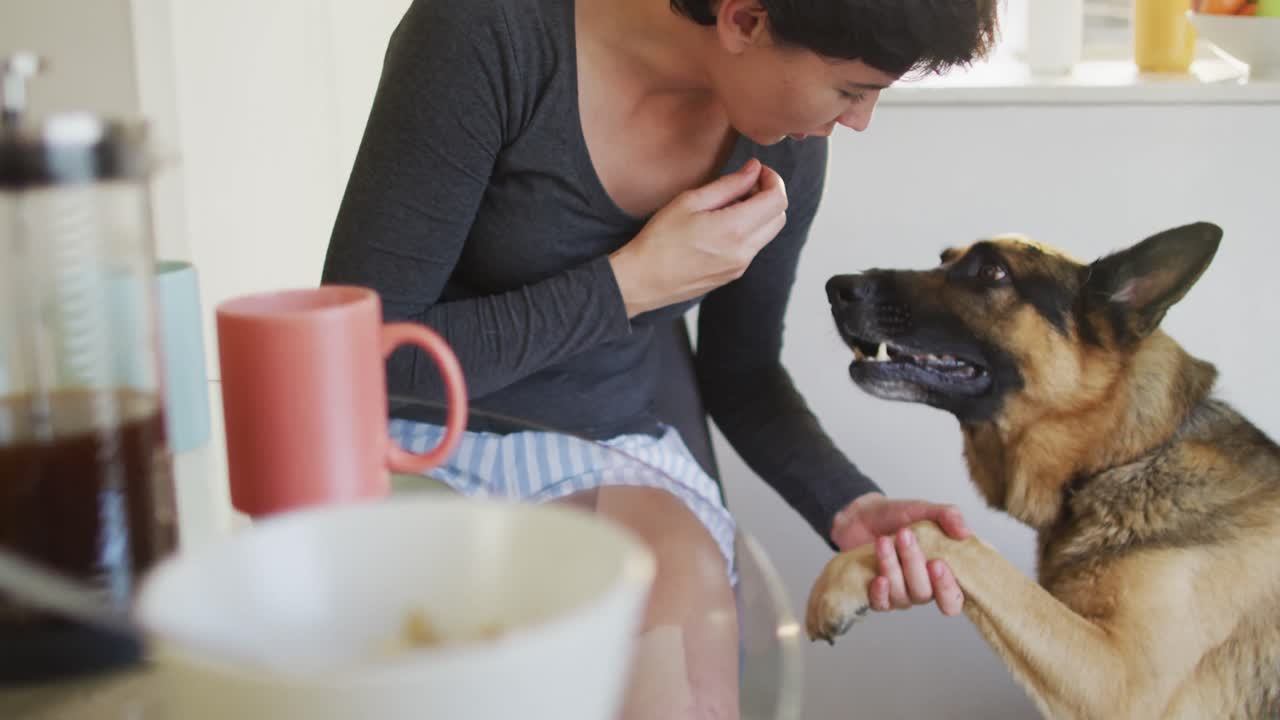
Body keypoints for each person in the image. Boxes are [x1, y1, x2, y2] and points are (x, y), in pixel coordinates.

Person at [322, 0, 998, 716]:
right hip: (416, 447)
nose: (858, 122)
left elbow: (741, 375)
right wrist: (628, 285)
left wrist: (849, 504)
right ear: (744, 20)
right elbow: (364, 357)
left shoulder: (786, 146)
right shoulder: (486, 34)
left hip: (612, 455)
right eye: (852, 91)